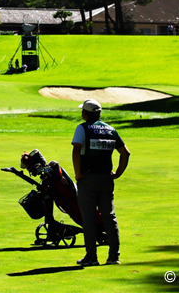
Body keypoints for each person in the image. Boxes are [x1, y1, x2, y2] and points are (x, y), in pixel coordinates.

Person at [72, 99, 129, 266]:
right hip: (106, 179)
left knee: (88, 218)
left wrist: (78, 174)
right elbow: (125, 153)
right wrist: (117, 172)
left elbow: (76, 150)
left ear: (85, 114)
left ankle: (91, 257)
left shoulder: (82, 128)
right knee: (109, 217)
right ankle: (113, 256)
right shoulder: (111, 130)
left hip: (88, 178)